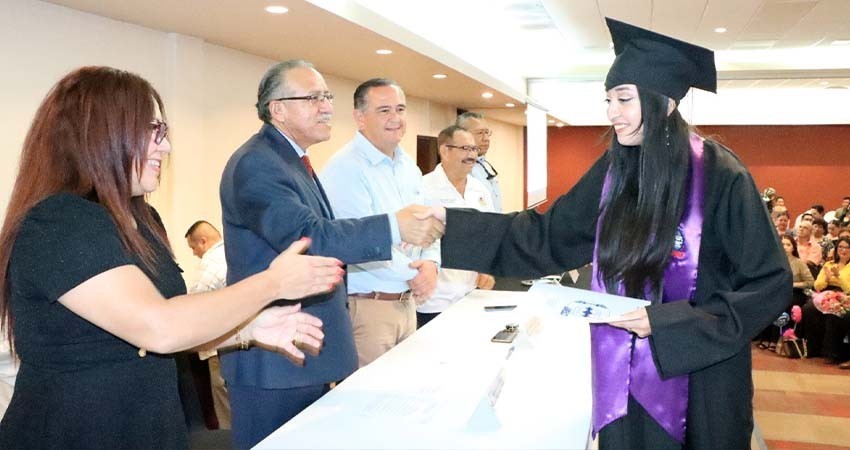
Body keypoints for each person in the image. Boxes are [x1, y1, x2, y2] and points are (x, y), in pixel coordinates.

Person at [430, 18, 790, 449]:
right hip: (624, 373)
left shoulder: (720, 175)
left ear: (664, 103)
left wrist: (663, 322)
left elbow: (768, 283)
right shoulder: (614, 170)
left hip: (701, 378)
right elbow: (550, 236)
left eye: (623, 99)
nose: (611, 113)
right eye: (608, 100)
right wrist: (450, 225)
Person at [0, 66, 338, 449]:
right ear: (99, 134)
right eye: (152, 131)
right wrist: (272, 283)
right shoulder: (59, 222)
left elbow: (167, 323)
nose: (166, 147)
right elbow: (160, 328)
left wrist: (245, 330)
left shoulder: (142, 219)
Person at [219, 60, 443, 449]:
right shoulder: (258, 164)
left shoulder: (292, 161)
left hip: (301, 351)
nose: (326, 107)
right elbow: (310, 237)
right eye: (312, 98)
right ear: (278, 109)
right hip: (273, 358)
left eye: (326, 97)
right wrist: (394, 226)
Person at [320, 78, 440, 367]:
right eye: (384, 110)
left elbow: (430, 223)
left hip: (406, 302)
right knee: (371, 406)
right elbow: (358, 243)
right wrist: (414, 273)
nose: (395, 118)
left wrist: (432, 265)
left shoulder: (408, 166)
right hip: (370, 306)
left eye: (400, 109)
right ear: (360, 118)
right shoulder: (345, 168)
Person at [417, 125, 495, 328]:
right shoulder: (422, 188)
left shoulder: (480, 190)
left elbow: (489, 235)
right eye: (465, 149)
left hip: (472, 294)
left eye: (474, 150)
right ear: (445, 150)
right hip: (434, 300)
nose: (472, 155)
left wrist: (487, 269)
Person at [184, 220, 231, 429]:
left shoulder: (210, 264)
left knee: (226, 413)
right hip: (246, 344)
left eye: (193, 248)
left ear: (203, 242)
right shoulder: (233, 253)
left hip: (220, 348)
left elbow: (194, 306)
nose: (194, 253)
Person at [456, 112, 503, 212]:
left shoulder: (484, 165)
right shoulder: (457, 169)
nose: (486, 139)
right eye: (480, 133)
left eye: (487, 132)